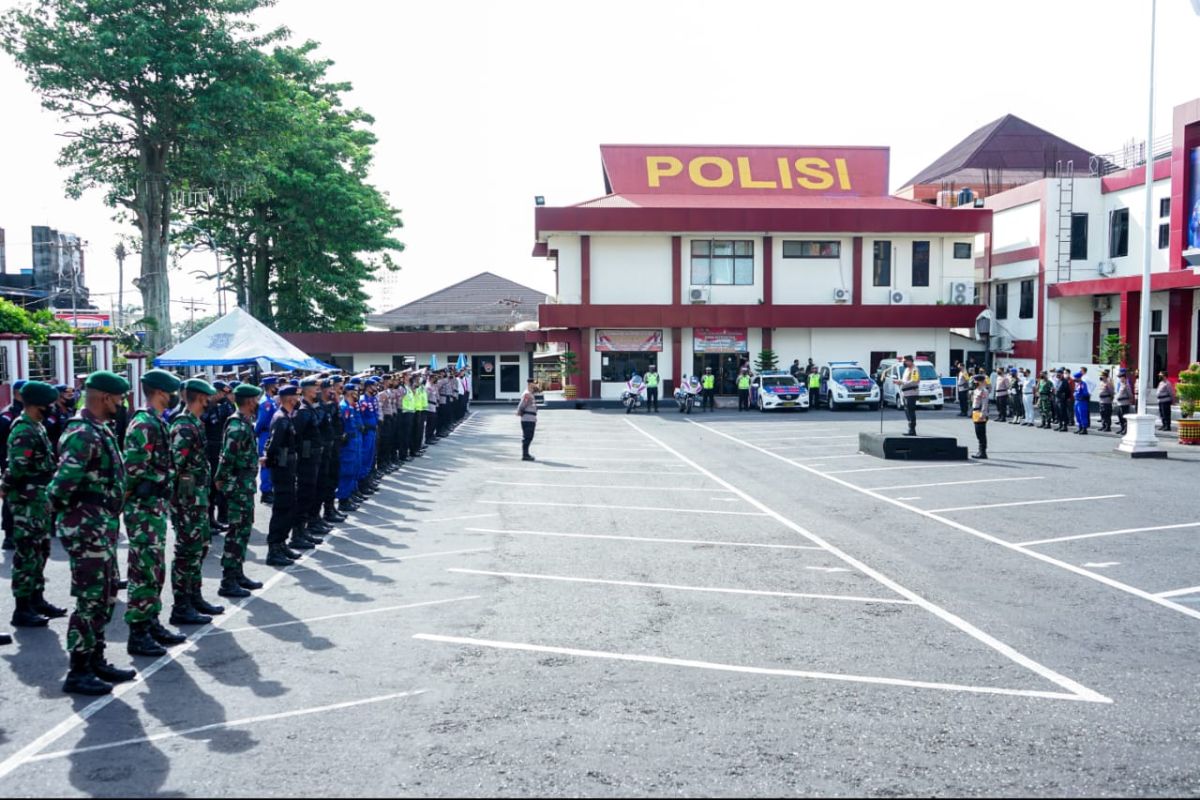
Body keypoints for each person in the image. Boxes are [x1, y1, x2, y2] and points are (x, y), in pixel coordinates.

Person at [49, 370, 135, 696]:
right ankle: (79, 668)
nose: (123, 403)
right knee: (90, 598)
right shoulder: (82, 434)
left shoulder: (99, 430)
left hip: (101, 525)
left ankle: (96, 657)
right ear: (104, 398)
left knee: (106, 594)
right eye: (119, 398)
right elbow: (61, 485)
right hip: (87, 527)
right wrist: (73, 521)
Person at [122, 369, 187, 657]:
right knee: (144, 570)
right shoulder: (144, 424)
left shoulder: (156, 421)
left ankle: (151, 622)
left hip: (154, 508)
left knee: (155, 568)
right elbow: (133, 469)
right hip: (143, 508)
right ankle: (138, 632)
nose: (175, 397)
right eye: (172, 392)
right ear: (162, 393)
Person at [5, 381, 65, 629]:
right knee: (27, 554)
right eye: (48, 403)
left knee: (40, 551)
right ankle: (22, 608)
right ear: (37, 404)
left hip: (38, 500)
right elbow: (18, 467)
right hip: (26, 501)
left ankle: (37, 599)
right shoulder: (23, 430)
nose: (52, 407)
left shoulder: (36, 426)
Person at [169, 378, 224, 626]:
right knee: (186, 552)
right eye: (208, 398)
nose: (210, 401)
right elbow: (175, 467)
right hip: (186, 501)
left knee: (200, 547)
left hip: (198, 498)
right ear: (201, 398)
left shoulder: (194, 423)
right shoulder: (183, 426)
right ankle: (181, 605)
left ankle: (194, 596)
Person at [265, 383, 302, 566]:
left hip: (288, 469)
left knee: (289, 507)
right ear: (290, 399)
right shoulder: (280, 419)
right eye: (296, 397)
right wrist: (277, 466)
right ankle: (274, 549)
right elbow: (272, 447)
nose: (298, 400)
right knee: (281, 509)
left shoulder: (286, 417)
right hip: (282, 470)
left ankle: (282, 544)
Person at [0, 380, 27, 551]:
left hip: (27, 465)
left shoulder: (27, 413)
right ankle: (9, 535)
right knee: (11, 498)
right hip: (10, 463)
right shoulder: (7, 416)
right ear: (18, 393)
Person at [336, 381, 364, 515]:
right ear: (348, 392)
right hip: (348, 443)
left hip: (354, 440)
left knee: (353, 468)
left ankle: (349, 494)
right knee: (346, 471)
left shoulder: (351, 406)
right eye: (354, 391)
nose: (357, 393)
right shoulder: (344, 407)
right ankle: (343, 499)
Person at [255, 376, 279, 505]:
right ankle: (266, 492)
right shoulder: (266, 403)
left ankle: (270, 489)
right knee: (266, 464)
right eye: (275, 385)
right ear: (271, 387)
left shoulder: (271, 400)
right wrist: (256, 435)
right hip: (265, 434)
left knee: (271, 463)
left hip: (270, 434)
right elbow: (261, 422)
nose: (277, 387)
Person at [517, 377, 538, 461]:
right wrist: (520, 412)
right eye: (534, 383)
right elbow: (522, 405)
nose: (535, 385)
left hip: (531, 418)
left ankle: (526, 453)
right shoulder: (527, 394)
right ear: (530, 384)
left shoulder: (531, 394)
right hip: (527, 419)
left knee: (529, 437)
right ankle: (525, 455)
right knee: (527, 437)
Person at [897, 355, 920, 436]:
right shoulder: (907, 369)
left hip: (911, 393)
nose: (904, 363)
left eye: (905, 361)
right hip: (905, 393)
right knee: (907, 410)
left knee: (911, 410)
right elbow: (905, 380)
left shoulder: (914, 370)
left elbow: (914, 381)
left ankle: (912, 429)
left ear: (910, 361)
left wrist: (902, 383)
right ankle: (910, 428)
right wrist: (899, 381)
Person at [970, 373, 990, 459]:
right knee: (978, 433)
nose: (974, 382)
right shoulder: (975, 390)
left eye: (976, 381)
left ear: (981, 382)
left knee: (981, 433)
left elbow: (985, 404)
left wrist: (983, 414)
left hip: (980, 413)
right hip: (975, 412)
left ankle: (983, 452)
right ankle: (980, 451)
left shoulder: (983, 391)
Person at [1115, 367, 1133, 435]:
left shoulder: (1126, 385)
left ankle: (1125, 430)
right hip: (1120, 403)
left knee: (1124, 417)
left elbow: (1130, 394)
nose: (1119, 378)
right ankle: (1122, 428)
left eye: (1121, 377)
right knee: (1120, 416)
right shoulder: (1121, 385)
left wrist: (1129, 400)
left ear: (1124, 377)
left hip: (1124, 403)